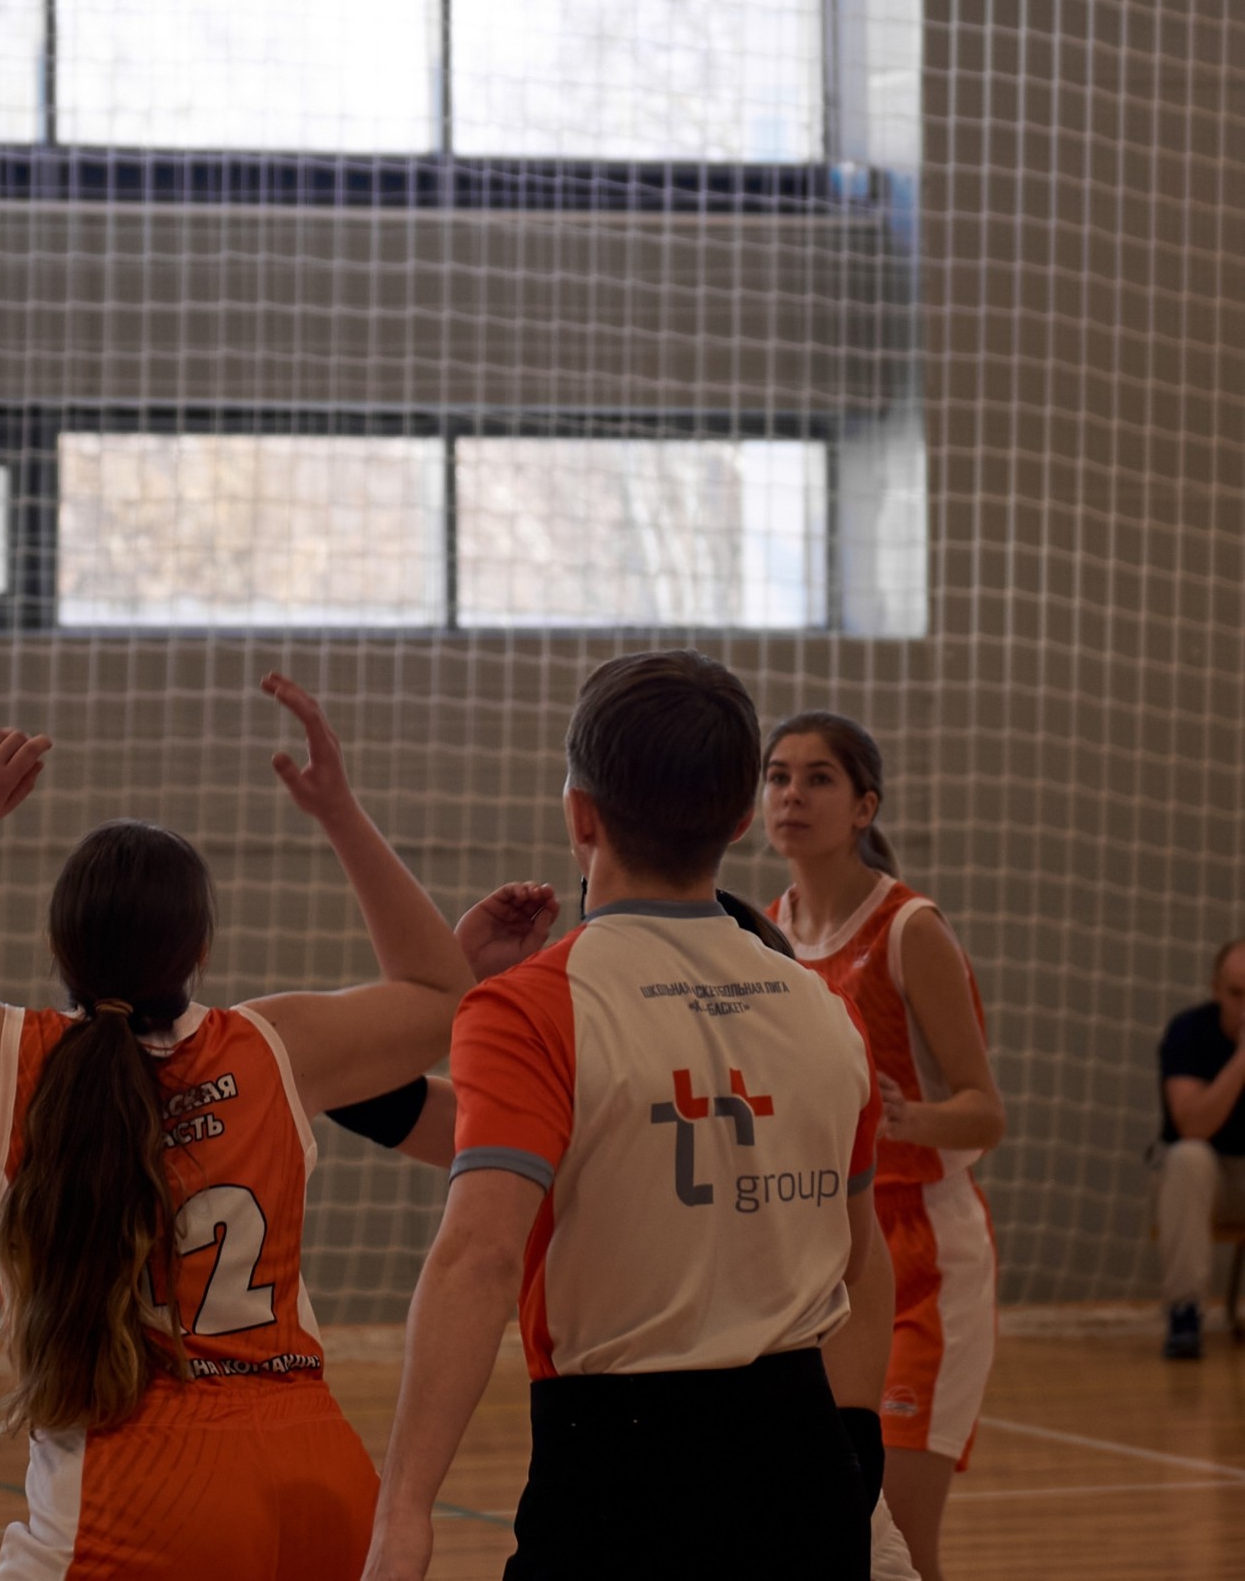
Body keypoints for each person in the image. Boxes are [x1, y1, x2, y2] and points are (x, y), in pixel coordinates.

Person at [0, 673, 472, 1581]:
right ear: (201, 951)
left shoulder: (5, 1058)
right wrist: (341, 815)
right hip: (320, 1474)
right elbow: (443, 992)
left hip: (140, 1486)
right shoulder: (277, 1044)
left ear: (60, 950)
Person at [361, 649, 884, 1581]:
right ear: (740, 818)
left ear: (580, 814)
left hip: (621, 1469)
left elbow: (479, 1257)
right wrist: (855, 1436)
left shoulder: (534, 1004)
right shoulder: (828, 1010)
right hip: (809, 1465)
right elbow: (861, 1254)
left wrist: (403, 1510)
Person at [765, 710, 1006, 1581]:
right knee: (832, 1535)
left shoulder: (909, 929)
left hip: (923, 1253)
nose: (792, 795)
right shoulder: (765, 933)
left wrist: (907, 1119)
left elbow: (985, 1113)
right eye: (778, 776)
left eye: (818, 778)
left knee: (899, 1538)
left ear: (865, 806)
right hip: (815, 1255)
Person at [1155, 935, 1245, 1359]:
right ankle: (1185, 1313)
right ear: (1216, 990)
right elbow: (1193, 1124)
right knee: (1188, 1156)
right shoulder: (1188, 1032)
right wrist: (1242, 1060)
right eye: (1237, 994)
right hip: (1205, 1184)